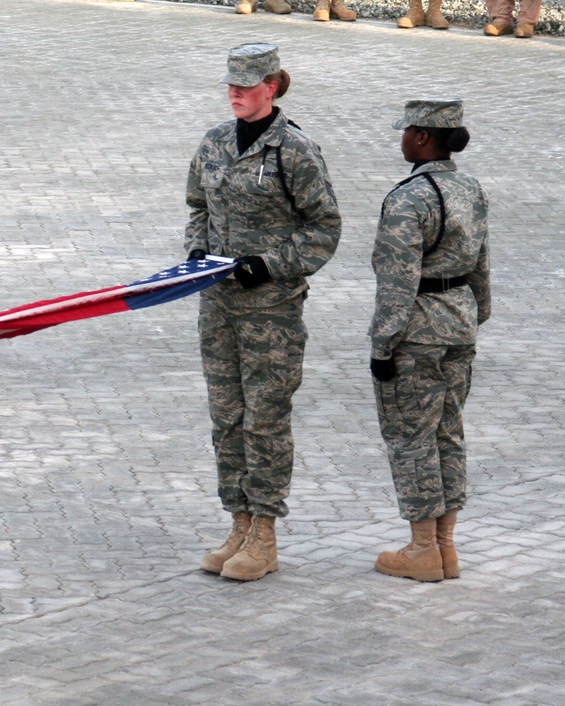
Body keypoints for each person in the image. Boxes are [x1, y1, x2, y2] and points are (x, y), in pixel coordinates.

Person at [185, 43, 341, 582]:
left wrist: (270, 265)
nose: (235, 93)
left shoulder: (294, 150)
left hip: (270, 311)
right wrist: (195, 252)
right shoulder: (213, 143)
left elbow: (324, 229)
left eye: (246, 86)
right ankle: (239, 521)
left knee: (265, 418)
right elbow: (198, 208)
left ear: (270, 88)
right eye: (230, 84)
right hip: (218, 307)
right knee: (227, 418)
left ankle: (266, 533)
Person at [368, 100, 490, 583]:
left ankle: (422, 550)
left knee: (411, 437)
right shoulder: (471, 189)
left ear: (422, 138)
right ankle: (446, 548)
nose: (400, 139)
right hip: (459, 323)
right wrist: (476, 314)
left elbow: (396, 283)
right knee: (448, 433)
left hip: (416, 333)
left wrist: (382, 346)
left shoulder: (407, 199)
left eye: (406, 132)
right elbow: (481, 262)